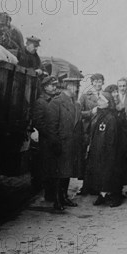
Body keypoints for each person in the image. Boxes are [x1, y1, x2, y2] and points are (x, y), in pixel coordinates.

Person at [86, 92, 127, 207]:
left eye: (101, 99)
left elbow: (113, 139)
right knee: (101, 174)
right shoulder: (99, 115)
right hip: (98, 151)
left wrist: (109, 153)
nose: (98, 101)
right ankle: (103, 194)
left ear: (108, 103)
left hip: (109, 153)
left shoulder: (112, 118)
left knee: (111, 174)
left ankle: (115, 196)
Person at [48, 76, 84, 211]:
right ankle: (57, 200)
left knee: (67, 172)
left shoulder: (76, 103)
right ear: (68, 86)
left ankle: (64, 196)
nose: (78, 88)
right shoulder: (56, 103)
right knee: (59, 173)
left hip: (72, 145)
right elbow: (52, 127)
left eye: (78, 85)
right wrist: (56, 144)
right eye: (75, 85)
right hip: (61, 145)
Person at [31, 75, 59, 201]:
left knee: (55, 167)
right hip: (47, 141)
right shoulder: (40, 102)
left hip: (55, 140)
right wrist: (51, 134)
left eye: (55, 85)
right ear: (45, 87)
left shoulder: (55, 100)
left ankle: (55, 194)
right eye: (52, 85)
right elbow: (38, 122)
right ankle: (49, 195)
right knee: (47, 168)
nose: (54, 87)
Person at [77, 73, 105, 195]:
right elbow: (78, 113)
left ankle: (96, 185)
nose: (98, 84)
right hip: (88, 131)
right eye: (96, 81)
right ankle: (86, 186)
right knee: (86, 158)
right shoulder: (84, 96)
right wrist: (91, 112)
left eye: (100, 81)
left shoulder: (105, 96)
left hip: (101, 131)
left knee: (99, 158)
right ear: (92, 83)